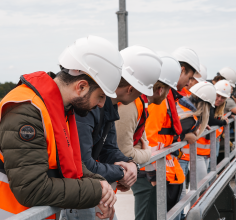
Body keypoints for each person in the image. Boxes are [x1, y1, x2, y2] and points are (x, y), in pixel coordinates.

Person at [0, 36, 120, 220]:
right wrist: (95, 191)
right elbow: (31, 189)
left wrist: (99, 183)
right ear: (81, 87)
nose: (101, 105)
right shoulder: (27, 112)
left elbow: (67, 163)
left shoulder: (55, 109)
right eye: (100, 96)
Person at [61, 45, 162, 220]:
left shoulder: (107, 106)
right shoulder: (87, 107)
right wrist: (122, 172)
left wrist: (130, 164)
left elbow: (109, 148)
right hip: (79, 197)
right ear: (131, 89)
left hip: (93, 190)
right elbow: (83, 163)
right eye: (140, 92)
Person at [115, 53, 181, 220]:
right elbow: (124, 150)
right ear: (160, 90)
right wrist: (146, 155)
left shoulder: (140, 104)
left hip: (136, 171)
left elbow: (140, 142)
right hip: (138, 172)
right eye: (168, 91)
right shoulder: (133, 105)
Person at [136, 47, 199, 220]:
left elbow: (161, 134)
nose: (188, 83)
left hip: (159, 172)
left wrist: (181, 137)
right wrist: (153, 174)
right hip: (152, 175)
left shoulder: (166, 97)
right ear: (182, 70)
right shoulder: (159, 99)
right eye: (189, 77)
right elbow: (149, 139)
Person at [175, 82, 217, 219]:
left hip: (181, 157)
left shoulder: (183, 106)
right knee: (179, 196)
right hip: (178, 158)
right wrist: (186, 135)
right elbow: (172, 132)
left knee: (181, 195)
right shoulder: (189, 118)